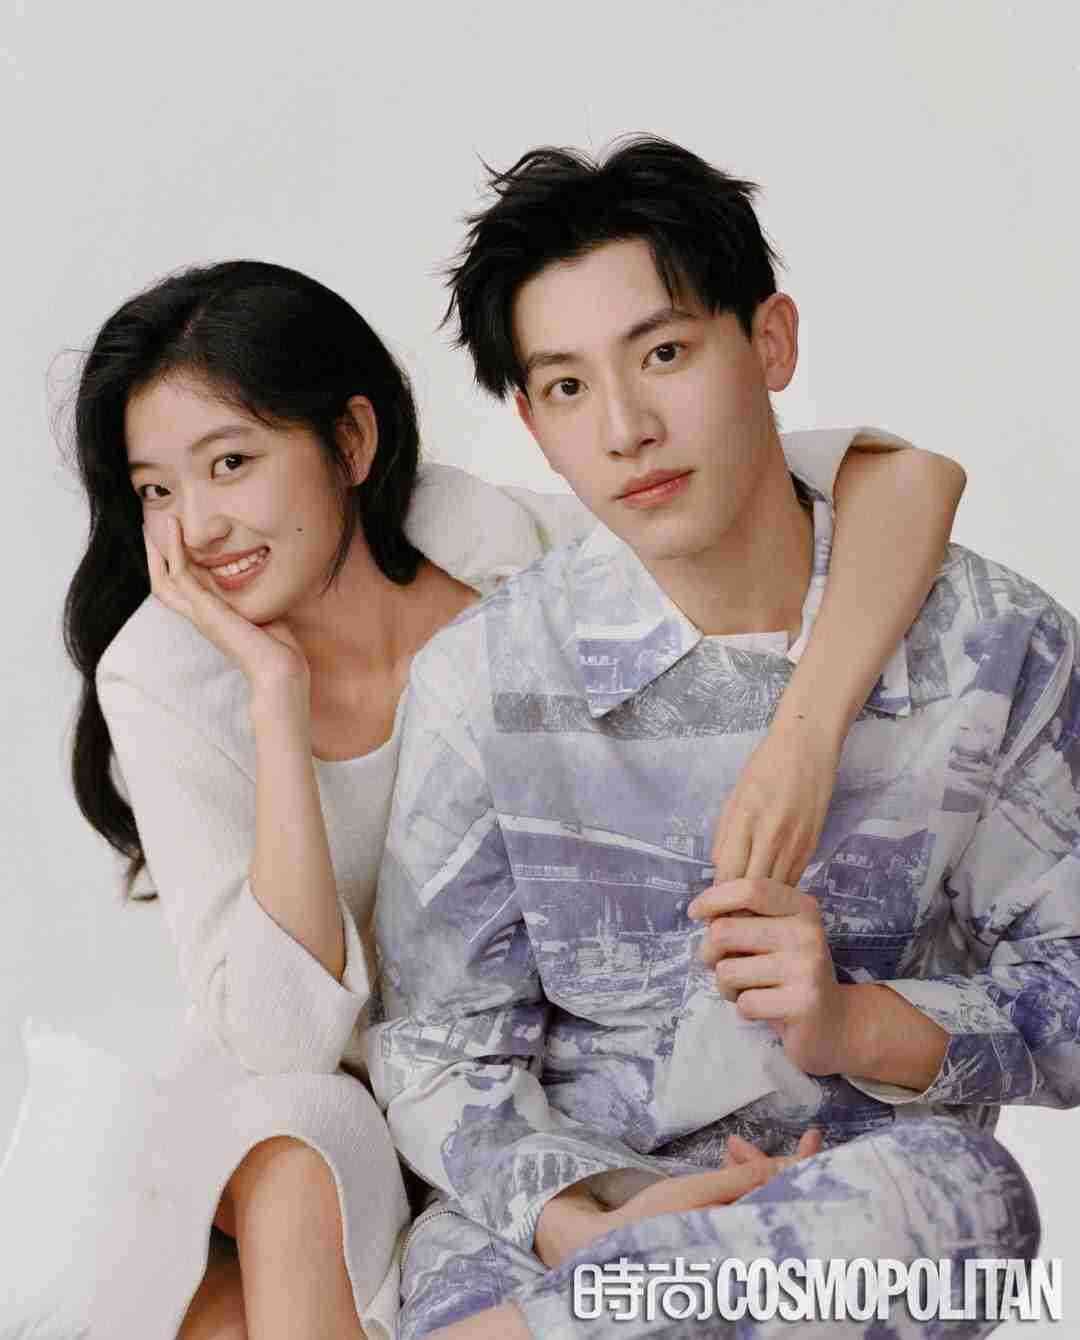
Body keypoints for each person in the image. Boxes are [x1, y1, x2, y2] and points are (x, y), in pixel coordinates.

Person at [62, 259, 962, 1339]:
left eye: (231, 463)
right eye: (157, 491)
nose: (199, 527)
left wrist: (806, 736)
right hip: (333, 1101)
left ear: (352, 440)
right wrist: (273, 695)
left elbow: (903, 482)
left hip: (544, 1081)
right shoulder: (166, 670)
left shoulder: (507, 557)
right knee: (298, 1145)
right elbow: (282, 1037)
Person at [368, 137, 1075, 1340]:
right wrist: (591, 1229)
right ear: (532, 422)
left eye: (664, 353)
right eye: (568, 387)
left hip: (851, 1217)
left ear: (772, 342)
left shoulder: (991, 644)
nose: (627, 426)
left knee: (970, 1202)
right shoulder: (483, 680)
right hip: (557, 1237)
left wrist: (856, 1021)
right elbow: (441, 1053)